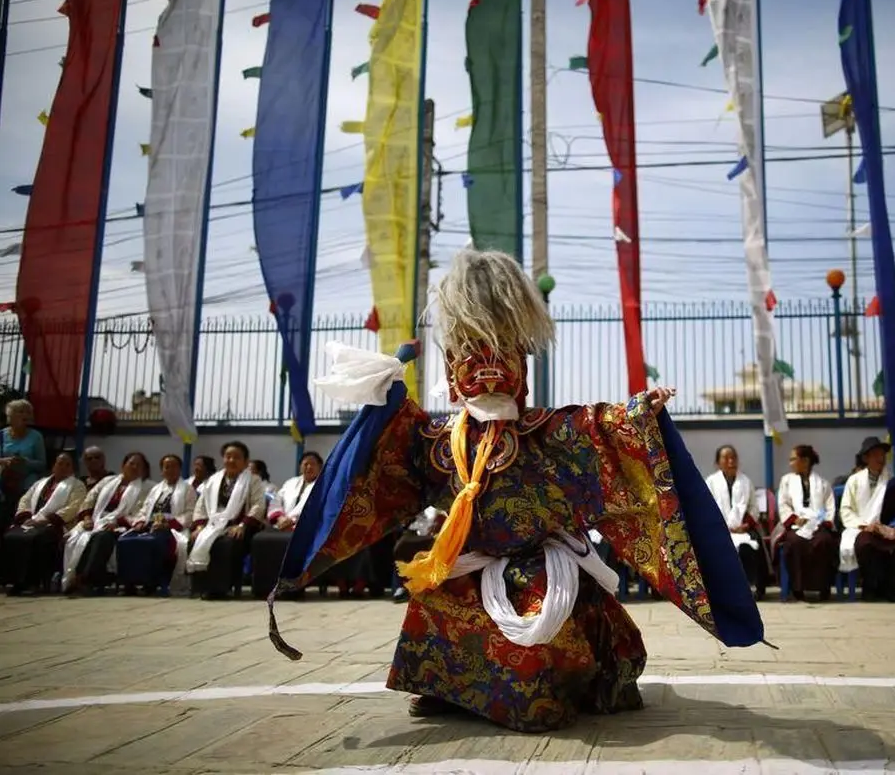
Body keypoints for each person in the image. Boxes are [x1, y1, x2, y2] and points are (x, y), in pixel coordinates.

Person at [267, 248, 764, 734]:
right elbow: (392, 454)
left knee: (537, 630)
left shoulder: (548, 432)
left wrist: (639, 413)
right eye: (470, 363)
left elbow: (600, 428)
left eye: (500, 360)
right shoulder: (439, 440)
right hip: (468, 562)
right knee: (431, 600)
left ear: (521, 371)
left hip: (541, 567)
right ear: (452, 375)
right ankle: (446, 688)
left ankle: (544, 686)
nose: (487, 375)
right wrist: (385, 398)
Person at [839, 436, 895, 602]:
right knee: (865, 544)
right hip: (864, 528)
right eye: (875, 455)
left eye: (882, 455)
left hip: (888, 529)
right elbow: (846, 509)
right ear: (866, 458)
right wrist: (864, 525)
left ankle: (891, 586)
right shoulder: (854, 481)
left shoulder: (894, 483)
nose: (880, 459)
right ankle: (871, 585)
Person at [62, 451, 152, 594]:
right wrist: (87, 518)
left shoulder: (148, 487)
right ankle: (74, 577)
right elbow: (89, 500)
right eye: (131, 463)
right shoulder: (108, 481)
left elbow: (143, 512)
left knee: (102, 537)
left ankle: (85, 579)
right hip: (95, 520)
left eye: (139, 465)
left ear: (144, 469)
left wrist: (119, 522)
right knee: (75, 538)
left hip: (121, 527)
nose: (134, 467)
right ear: (123, 466)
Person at [187, 441, 267, 599]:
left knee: (226, 544)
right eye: (228, 457)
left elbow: (258, 505)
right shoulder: (212, 481)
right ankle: (202, 587)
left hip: (240, 526)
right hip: (212, 525)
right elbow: (200, 506)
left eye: (236, 457)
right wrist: (199, 527)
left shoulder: (253, 480)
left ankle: (221, 588)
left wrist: (243, 525)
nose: (231, 460)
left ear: (245, 461)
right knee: (196, 539)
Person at [0, 453, 87, 595]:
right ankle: (16, 581)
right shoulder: (40, 483)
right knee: (11, 536)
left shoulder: (77, 486)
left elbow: (73, 507)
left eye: (67, 464)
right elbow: (25, 500)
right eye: (60, 464)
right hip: (31, 521)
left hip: (56, 525)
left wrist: (45, 520)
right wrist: (26, 517)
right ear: (53, 466)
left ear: (72, 468)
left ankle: (33, 581)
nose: (63, 467)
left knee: (40, 538)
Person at [117, 454, 197, 596]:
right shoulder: (156, 489)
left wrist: (168, 524)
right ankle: (129, 583)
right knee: (125, 541)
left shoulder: (187, 489)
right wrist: (140, 522)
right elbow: (145, 509)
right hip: (151, 526)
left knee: (153, 542)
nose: (170, 470)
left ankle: (151, 583)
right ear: (162, 471)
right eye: (167, 467)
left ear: (180, 469)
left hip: (171, 529)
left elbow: (190, 513)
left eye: (174, 467)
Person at [251, 452, 323, 599]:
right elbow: (276, 501)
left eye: (312, 464)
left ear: (320, 467)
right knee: (260, 539)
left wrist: (293, 520)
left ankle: (292, 588)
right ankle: (265, 587)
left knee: (293, 543)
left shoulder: (323, 485)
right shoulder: (290, 483)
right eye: (305, 464)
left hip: (305, 528)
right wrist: (279, 518)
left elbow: (317, 509)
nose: (308, 467)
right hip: (281, 525)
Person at [772, 444, 837, 601]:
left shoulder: (823, 483)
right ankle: (797, 588)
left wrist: (820, 521)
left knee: (824, 541)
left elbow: (829, 507)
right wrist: (795, 519)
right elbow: (783, 504)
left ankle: (823, 587)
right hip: (796, 525)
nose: (791, 463)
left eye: (794, 459)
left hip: (818, 525)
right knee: (794, 542)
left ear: (805, 461)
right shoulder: (786, 481)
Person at [705, 445, 767, 600]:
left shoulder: (746, 481)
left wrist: (745, 525)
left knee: (753, 545)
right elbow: (706, 508)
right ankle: (720, 590)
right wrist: (722, 527)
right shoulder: (711, 482)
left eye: (733, 457)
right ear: (718, 463)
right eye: (726, 458)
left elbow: (754, 507)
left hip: (742, 528)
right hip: (718, 529)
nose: (731, 461)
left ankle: (755, 588)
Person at [0, 399, 47, 533]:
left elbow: (42, 465)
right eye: (20, 412)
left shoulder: (36, 437)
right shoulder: (1, 436)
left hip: (25, 482)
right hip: (4, 480)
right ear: (11, 416)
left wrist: (25, 462)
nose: (25, 415)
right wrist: (5, 461)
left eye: (28, 412)